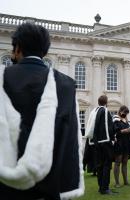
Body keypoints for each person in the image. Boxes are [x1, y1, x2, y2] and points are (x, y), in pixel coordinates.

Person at [0, 23, 84, 199]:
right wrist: (68, 187)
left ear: (17, 48)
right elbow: (71, 143)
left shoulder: (3, 77)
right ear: (45, 52)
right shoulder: (66, 85)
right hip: (50, 190)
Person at [86, 95, 116, 195]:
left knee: (99, 165)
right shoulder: (105, 111)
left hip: (95, 143)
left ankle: (101, 187)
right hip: (104, 143)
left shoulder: (93, 111)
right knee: (107, 165)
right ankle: (105, 188)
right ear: (106, 102)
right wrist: (112, 138)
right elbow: (109, 127)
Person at [113, 105, 130, 187]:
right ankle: (117, 183)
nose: (125, 114)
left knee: (125, 162)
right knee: (118, 162)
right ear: (120, 111)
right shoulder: (116, 120)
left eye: (127, 113)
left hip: (127, 143)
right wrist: (127, 130)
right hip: (119, 143)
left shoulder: (127, 121)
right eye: (125, 112)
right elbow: (117, 132)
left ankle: (126, 181)